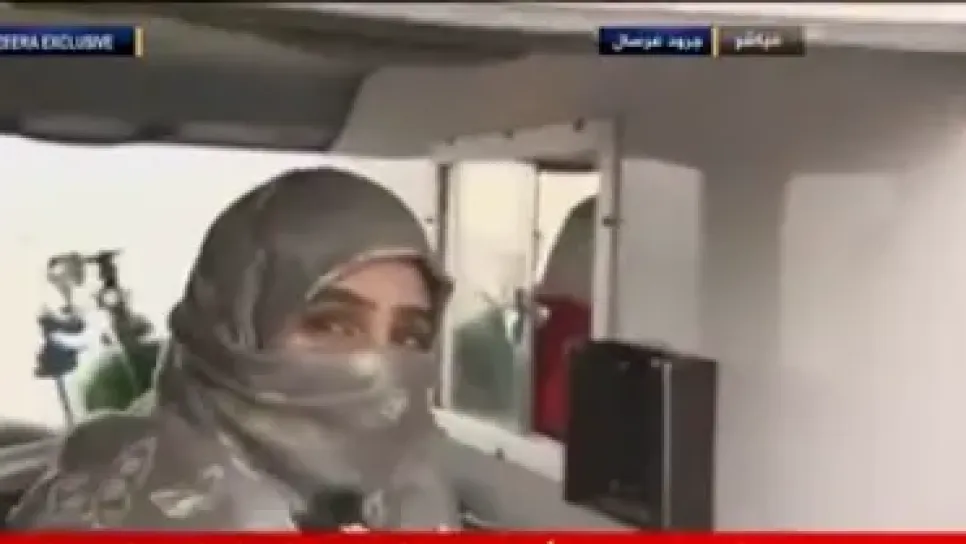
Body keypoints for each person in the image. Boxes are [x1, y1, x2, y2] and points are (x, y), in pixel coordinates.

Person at [5, 167, 459, 530]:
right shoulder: (141, 506)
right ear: (230, 329)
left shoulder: (412, 488)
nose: (377, 365)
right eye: (333, 326)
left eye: (408, 336)